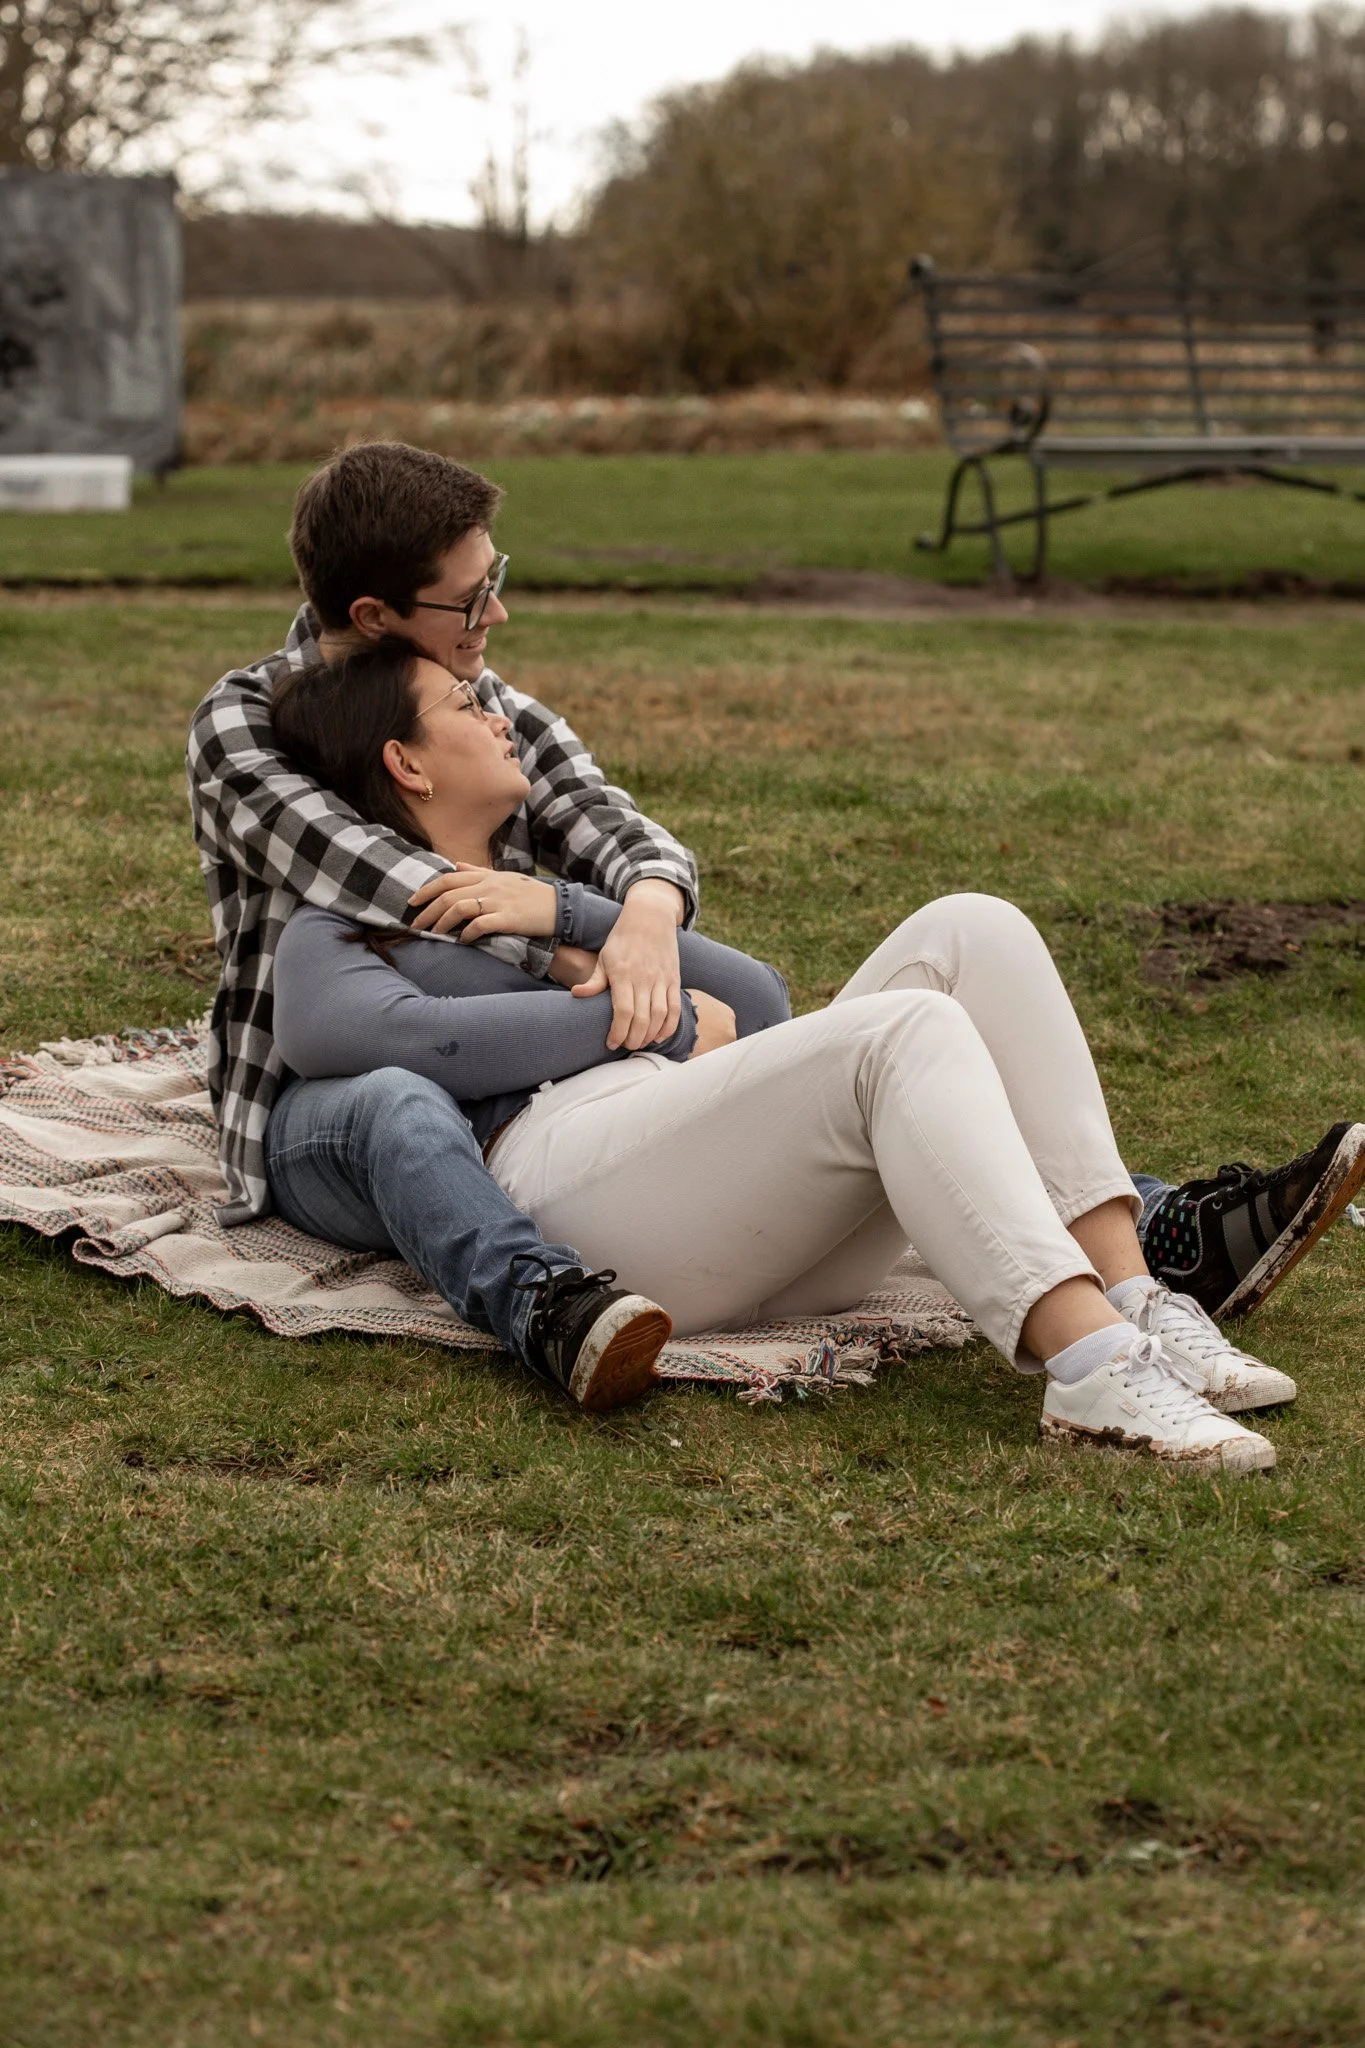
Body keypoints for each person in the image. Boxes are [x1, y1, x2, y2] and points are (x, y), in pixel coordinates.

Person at [187, 439, 1361, 1400]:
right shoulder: (253, 728)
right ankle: (552, 1299)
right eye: (470, 594)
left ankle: (1147, 1253)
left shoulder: (486, 706)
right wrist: (609, 981)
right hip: (335, 1097)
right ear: (377, 614)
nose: (498, 612)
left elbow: (627, 835)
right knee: (434, 1100)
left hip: (565, 1087)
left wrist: (629, 908)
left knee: (968, 934)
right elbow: (416, 895)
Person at [264, 634, 1310, 1474]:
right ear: (404, 760)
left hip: (722, 1193)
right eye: (462, 704)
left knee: (972, 928)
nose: (498, 712)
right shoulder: (342, 927)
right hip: (575, 1189)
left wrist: (575, 907)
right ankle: (1090, 1361)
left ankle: (1135, 1298)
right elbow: (384, 1038)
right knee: (906, 1032)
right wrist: (657, 1020)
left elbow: (758, 1000)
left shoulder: (546, 893)